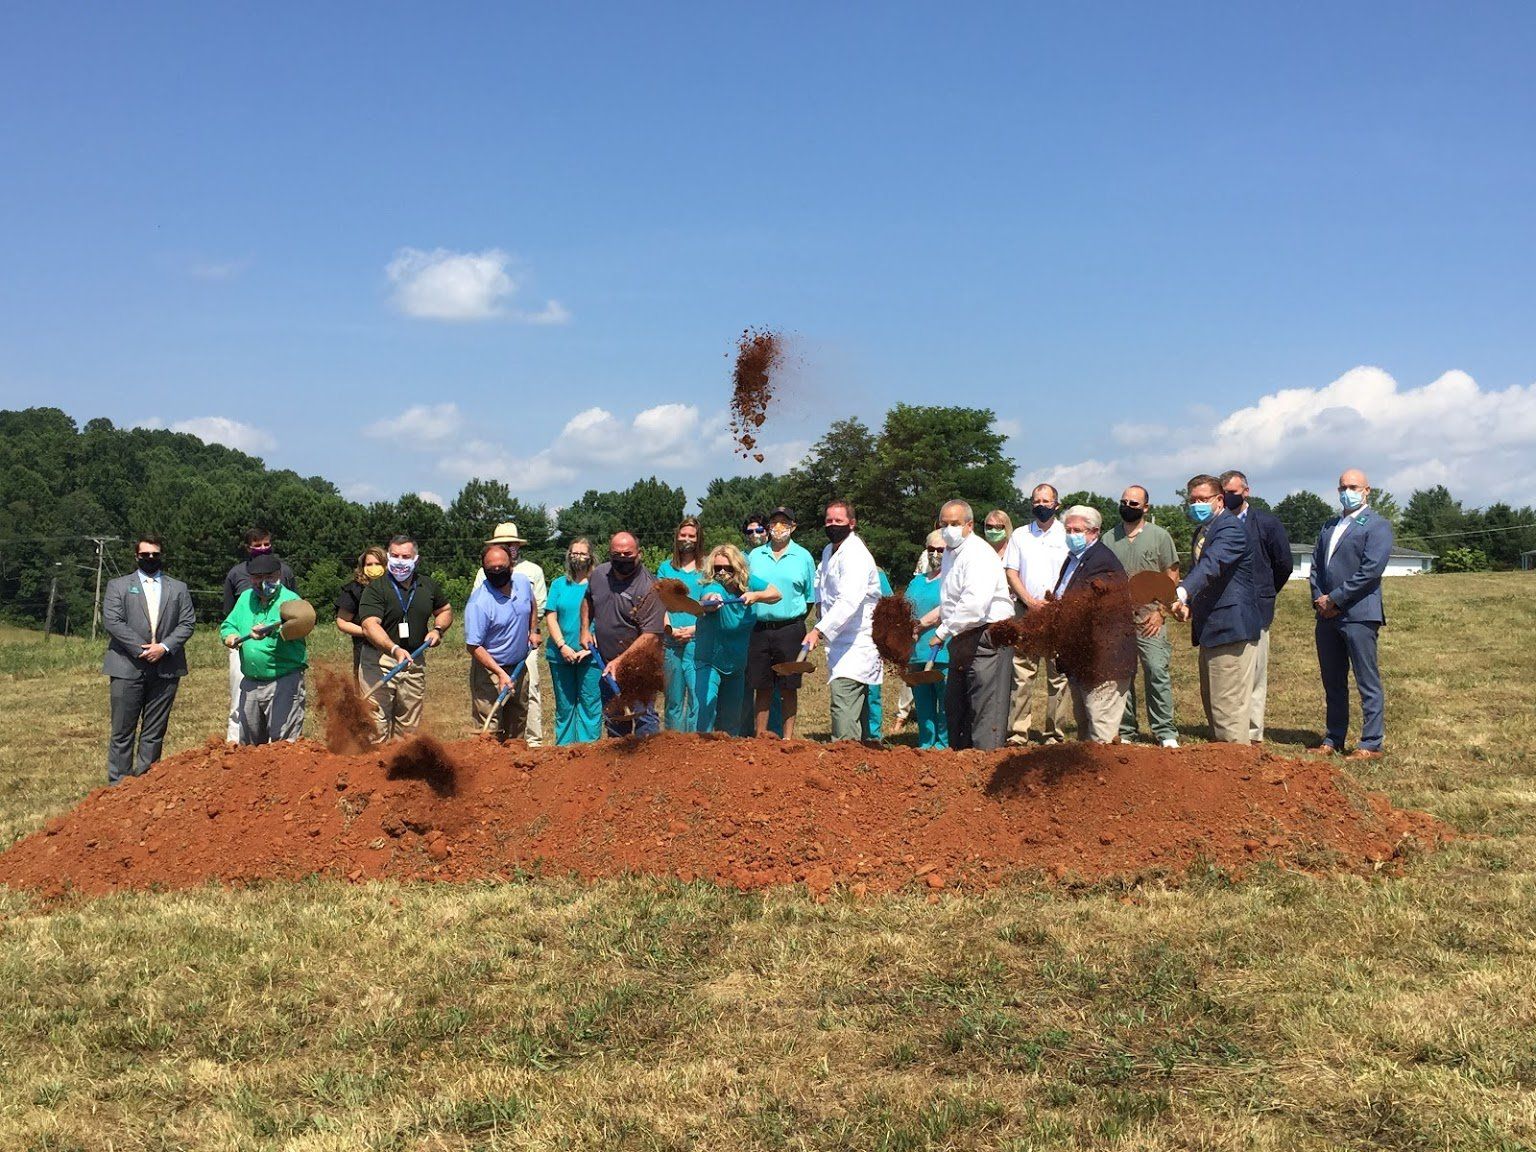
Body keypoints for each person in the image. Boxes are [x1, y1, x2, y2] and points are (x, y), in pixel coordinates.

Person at [1171, 475, 1263, 744]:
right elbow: (1203, 572)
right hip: (1212, 627)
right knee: (1215, 707)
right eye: (1193, 500)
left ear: (1219, 500)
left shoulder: (1230, 529)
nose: (1197, 505)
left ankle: (1239, 777)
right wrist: (1188, 605)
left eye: (1203, 499)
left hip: (1230, 629)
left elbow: (1212, 565)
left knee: (1228, 713)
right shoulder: (1204, 530)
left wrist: (1182, 591)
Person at [1310, 468, 1394, 759]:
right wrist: (1319, 599)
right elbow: (1316, 567)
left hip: (1359, 614)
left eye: (1354, 486)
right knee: (1332, 680)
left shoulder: (1377, 525)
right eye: (1343, 486)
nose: (1348, 491)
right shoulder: (1329, 526)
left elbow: (1370, 571)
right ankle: (1333, 738)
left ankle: (1371, 743)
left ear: (1367, 490)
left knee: (1366, 680)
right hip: (1326, 617)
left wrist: (1335, 599)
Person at [918, 500, 1014, 750]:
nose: (948, 529)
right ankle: (959, 762)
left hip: (987, 635)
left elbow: (974, 605)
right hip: (962, 635)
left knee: (984, 708)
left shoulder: (978, 554)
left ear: (969, 525)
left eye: (955, 524)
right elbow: (951, 599)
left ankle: (984, 764)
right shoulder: (950, 552)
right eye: (944, 524)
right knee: (957, 706)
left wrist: (942, 632)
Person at [101, 534, 196, 784]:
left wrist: (164, 648)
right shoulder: (118, 586)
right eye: (145, 555)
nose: (150, 559)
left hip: (166, 667)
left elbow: (187, 623)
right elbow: (112, 620)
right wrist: (141, 649)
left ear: (161, 556)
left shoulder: (179, 588)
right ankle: (119, 784)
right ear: (136, 556)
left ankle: (146, 783)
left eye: (155, 554)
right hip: (126, 666)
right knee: (123, 730)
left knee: (154, 731)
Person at [1103, 485, 1181, 748]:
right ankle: (1126, 730)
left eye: (1134, 503)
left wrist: (1161, 611)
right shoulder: (1108, 538)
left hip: (1150, 617)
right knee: (1121, 675)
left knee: (1157, 670)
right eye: (1123, 501)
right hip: (1118, 619)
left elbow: (1171, 575)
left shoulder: (1160, 537)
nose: (1127, 506)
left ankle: (1165, 731)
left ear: (1146, 508)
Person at [1049, 507, 1136, 743]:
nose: (1071, 534)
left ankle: (1108, 776)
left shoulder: (1102, 561)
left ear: (1094, 532)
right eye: (1068, 530)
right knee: (1085, 725)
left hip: (1105, 658)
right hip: (1083, 658)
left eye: (1077, 530)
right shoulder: (1073, 559)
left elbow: (1089, 607)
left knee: (1101, 730)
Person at [1219, 470, 1294, 742]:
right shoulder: (1217, 524)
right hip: (1224, 609)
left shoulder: (1266, 523)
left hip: (1257, 607)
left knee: (1255, 674)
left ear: (1246, 491)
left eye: (1233, 492)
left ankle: (1252, 733)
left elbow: (1283, 563)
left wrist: (1267, 591)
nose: (1228, 497)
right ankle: (1228, 728)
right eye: (1223, 492)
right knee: (1228, 674)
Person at [358, 535, 453, 743]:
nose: (400, 561)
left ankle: (401, 767)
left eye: (405, 556)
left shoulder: (427, 585)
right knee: (376, 723)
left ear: (415, 559)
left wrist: (438, 629)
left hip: (413, 661)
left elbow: (445, 610)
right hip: (379, 661)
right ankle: (373, 770)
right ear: (388, 558)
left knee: (409, 727)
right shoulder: (376, 588)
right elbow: (369, 625)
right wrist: (393, 649)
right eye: (395, 556)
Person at [805, 500, 882, 741]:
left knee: (843, 697)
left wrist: (818, 630)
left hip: (858, 640)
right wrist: (819, 606)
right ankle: (864, 750)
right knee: (857, 702)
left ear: (852, 523)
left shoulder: (855, 554)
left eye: (838, 521)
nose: (833, 525)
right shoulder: (829, 551)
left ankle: (845, 752)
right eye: (829, 521)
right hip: (841, 641)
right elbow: (820, 580)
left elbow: (849, 599)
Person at [1003, 484, 1070, 744]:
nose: (1041, 505)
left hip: (1058, 613)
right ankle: (1018, 733)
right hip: (1026, 612)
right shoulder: (1020, 535)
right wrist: (1029, 601)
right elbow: (1011, 572)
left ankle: (1054, 734)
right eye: (1037, 500)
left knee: (1058, 676)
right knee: (1022, 674)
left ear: (1057, 504)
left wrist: (1056, 603)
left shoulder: (1067, 533)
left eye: (1046, 500)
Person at [580, 531, 665, 737]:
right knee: (615, 720)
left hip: (640, 666)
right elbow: (588, 599)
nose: (622, 559)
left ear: (639, 554)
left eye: (628, 554)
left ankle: (648, 763)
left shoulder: (650, 588)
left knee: (644, 717)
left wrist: (620, 662)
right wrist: (584, 629)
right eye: (616, 554)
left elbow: (651, 635)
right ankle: (618, 764)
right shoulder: (599, 575)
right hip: (608, 663)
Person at [746, 506, 819, 739]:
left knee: (788, 686)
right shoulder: (755, 556)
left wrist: (792, 615)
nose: (778, 527)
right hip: (758, 628)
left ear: (793, 526)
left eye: (784, 522)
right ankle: (761, 736)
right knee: (762, 685)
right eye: (774, 522)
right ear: (768, 527)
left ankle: (787, 738)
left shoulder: (803, 556)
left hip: (790, 628)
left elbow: (809, 597)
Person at [220, 555, 308, 745]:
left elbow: (302, 623)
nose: (263, 582)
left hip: (283, 681)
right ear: (250, 578)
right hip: (250, 683)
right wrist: (230, 636)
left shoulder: (291, 601)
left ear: (278, 575)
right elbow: (229, 624)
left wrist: (270, 630)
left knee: (282, 744)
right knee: (250, 746)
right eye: (257, 577)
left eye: (269, 576)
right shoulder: (245, 598)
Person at [693, 544, 781, 734]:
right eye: (717, 568)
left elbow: (776, 593)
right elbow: (707, 595)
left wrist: (757, 595)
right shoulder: (713, 585)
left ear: (738, 568)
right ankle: (698, 755)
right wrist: (712, 600)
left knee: (732, 719)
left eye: (728, 568)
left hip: (736, 664)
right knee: (705, 709)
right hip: (710, 661)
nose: (722, 572)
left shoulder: (749, 582)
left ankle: (725, 760)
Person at [476, 523, 548, 746]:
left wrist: (532, 630)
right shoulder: (484, 571)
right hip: (493, 648)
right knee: (493, 699)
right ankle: (493, 748)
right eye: (503, 543)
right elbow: (480, 604)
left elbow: (537, 603)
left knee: (527, 694)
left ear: (517, 546)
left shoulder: (532, 571)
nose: (509, 547)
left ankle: (530, 741)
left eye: (512, 544)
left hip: (524, 644)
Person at [465, 544, 538, 741]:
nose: (497, 571)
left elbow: (531, 604)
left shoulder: (522, 583)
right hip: (489, 669)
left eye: (501, 567)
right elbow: (473, 646)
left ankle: (515, 764)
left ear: (511, 565)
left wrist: (533, 631)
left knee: (518, 716)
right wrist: (499, 673)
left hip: (519, 664)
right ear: (484, 570)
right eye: (491, 569)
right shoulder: (478, 603)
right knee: (490, 723)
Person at [543, 538, 603, 745]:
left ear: (591, 557)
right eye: (574, 553)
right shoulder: (559, 584)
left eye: (582, 553)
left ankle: (589, 753)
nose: (578, 557)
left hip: (591, 655)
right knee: (565, 706)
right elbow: (550, 615)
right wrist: (562, 645)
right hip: (560, 655)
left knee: (590, 705)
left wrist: (592, 646)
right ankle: (564, 752)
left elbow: (605, 617)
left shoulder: (599, 584)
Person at [903, 531, 950, 749]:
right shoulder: (917, 581)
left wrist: (921, 624)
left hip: (942, 649)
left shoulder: (951, 579)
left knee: (945, 702)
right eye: (931, 549)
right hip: (916, 651)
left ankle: (943, 743)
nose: (935, 553)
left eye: (940, 549)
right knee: (923, 702)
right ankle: (925, 742)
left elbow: (947, 608)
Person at [657, 517, 704, 733]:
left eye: (691, 536)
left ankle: (695, 746)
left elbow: (710, 604)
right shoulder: (665, 568)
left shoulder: (707, 568)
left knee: (697, 696)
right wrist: (670, 629)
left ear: (698, 539)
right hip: (671, 640)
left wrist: (695, 629)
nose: (687, 539)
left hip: (699, 640)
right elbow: (660, 604)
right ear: (676, 537)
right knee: (673, 699)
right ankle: (674, 746)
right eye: (683, 535)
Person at [335, 546, 386, 680]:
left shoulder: (395, 587)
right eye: (369, 564)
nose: (374, 567)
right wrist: (368, 632)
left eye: (378, 563)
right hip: (365, 649)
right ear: (362, 567)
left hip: (394, 649)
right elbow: (342, 621)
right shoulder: (355, 589)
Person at [860, 567, 895, 743]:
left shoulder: (876, 573)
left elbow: (889, 604)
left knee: (872, 689)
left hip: (872, 638)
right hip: (846, 640)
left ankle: (873, 735)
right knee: (848, 688)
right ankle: (852, 734)